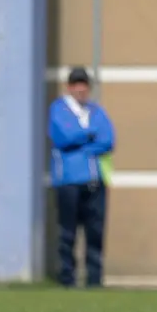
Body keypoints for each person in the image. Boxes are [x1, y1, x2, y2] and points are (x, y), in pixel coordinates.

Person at [47, 66, 115, 289]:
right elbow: (63, 137)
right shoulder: (59, 109)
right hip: (68, 181)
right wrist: (88, 134)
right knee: (68, 232)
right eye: (76, 84)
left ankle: (94, 279)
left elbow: (108, 140)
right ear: (69, 87)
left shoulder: (97, 112)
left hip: (95, 180)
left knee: (95, 231)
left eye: (84, 84)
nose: (80, 89)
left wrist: (83, 144)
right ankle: (68, 278)